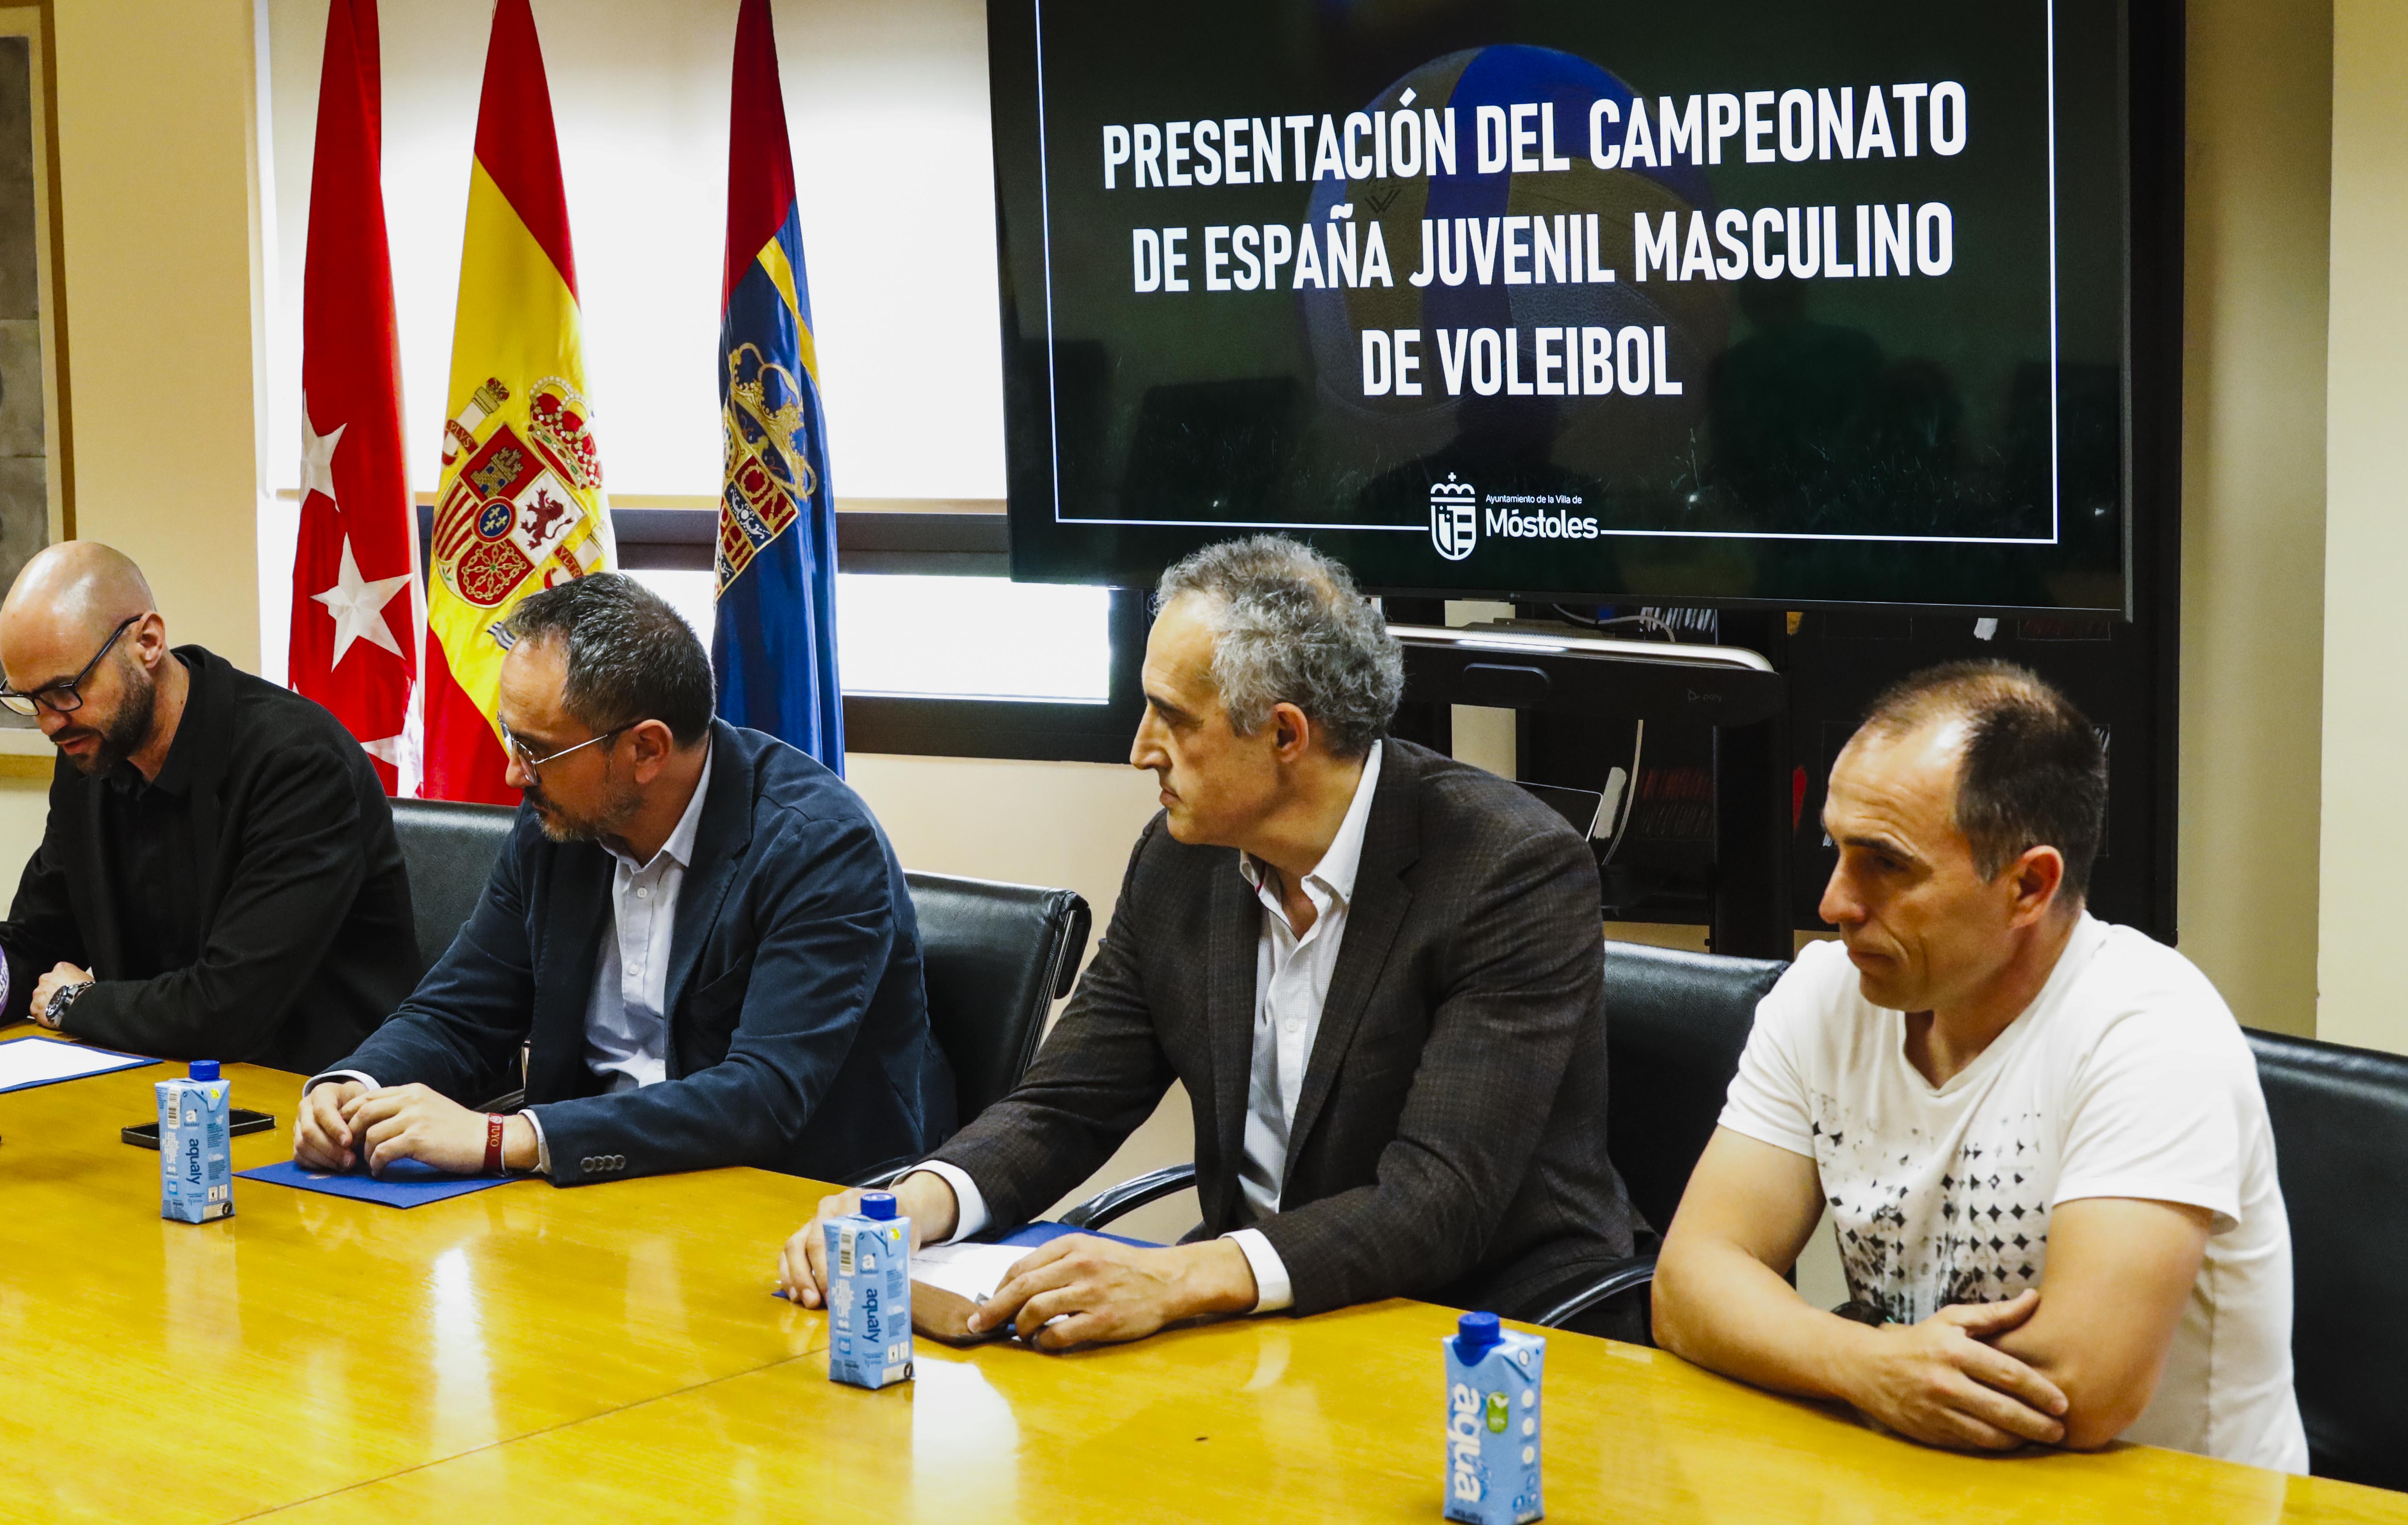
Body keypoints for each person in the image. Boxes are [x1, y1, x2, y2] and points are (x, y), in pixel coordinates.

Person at [782, 534, 1636, 1348]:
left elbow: (1438, 1199)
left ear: (1286, 735)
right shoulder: (1180, 862)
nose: (1139, 751)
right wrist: (909, 1206)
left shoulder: (1509, 869)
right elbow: (1065, 1104)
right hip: (1263, 1324)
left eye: (1171, 716)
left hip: (1491, 1332)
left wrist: (1179, 1277)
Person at [1652, 662, 2302, 1470]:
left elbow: (2078, 1390)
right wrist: (1866, 1363)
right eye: (1836, 848)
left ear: (2028, 885)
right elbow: (1689, 1284)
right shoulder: (1826, 994)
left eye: (1886, 864)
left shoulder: (2151, 1031)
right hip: (1921, 1479)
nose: (1834, 903)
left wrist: (1818, 1348)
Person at [290, 572, 950, 1186]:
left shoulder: (819, 847)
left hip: (787, 1200)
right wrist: (356, 1086)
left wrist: (508, 1137)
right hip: (592, 1189)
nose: (514, 774)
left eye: (537, 749)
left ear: (646, 750)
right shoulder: (559, 824)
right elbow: (460, 1011)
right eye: (511, 738)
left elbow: (762, 1097)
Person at [0, 541, 421, 1078]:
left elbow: (231, 1008)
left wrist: (75, 1005)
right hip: (159, 1079)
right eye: (29, 700)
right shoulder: (94, 756)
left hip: (319, 1102)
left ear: (147, 642)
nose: (50, 724)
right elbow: (36, 939)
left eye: (65, 690)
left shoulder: (296, 764)